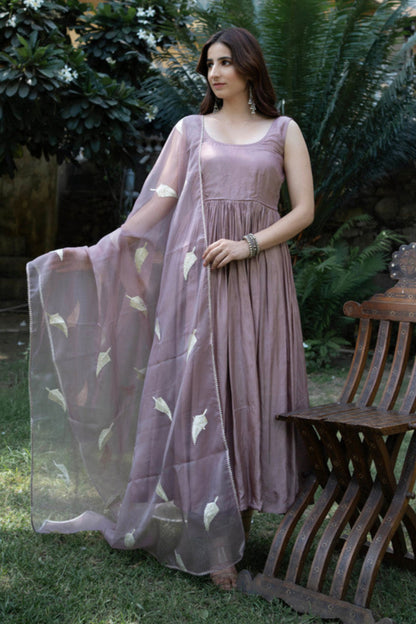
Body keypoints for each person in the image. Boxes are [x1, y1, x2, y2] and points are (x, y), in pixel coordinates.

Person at [27, 27, 314, 592]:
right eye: (209, 64)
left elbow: (303, 210)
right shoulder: (190, 130)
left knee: (250, 389)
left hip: (259, 280)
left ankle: (238, 520)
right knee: (197, 395)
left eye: (226, 62)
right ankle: (213, 537)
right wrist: (100, 251)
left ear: (250, 67)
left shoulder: (283, 131)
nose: (215, 72)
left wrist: (248, 244)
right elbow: (158, 205)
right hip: (198, 281)